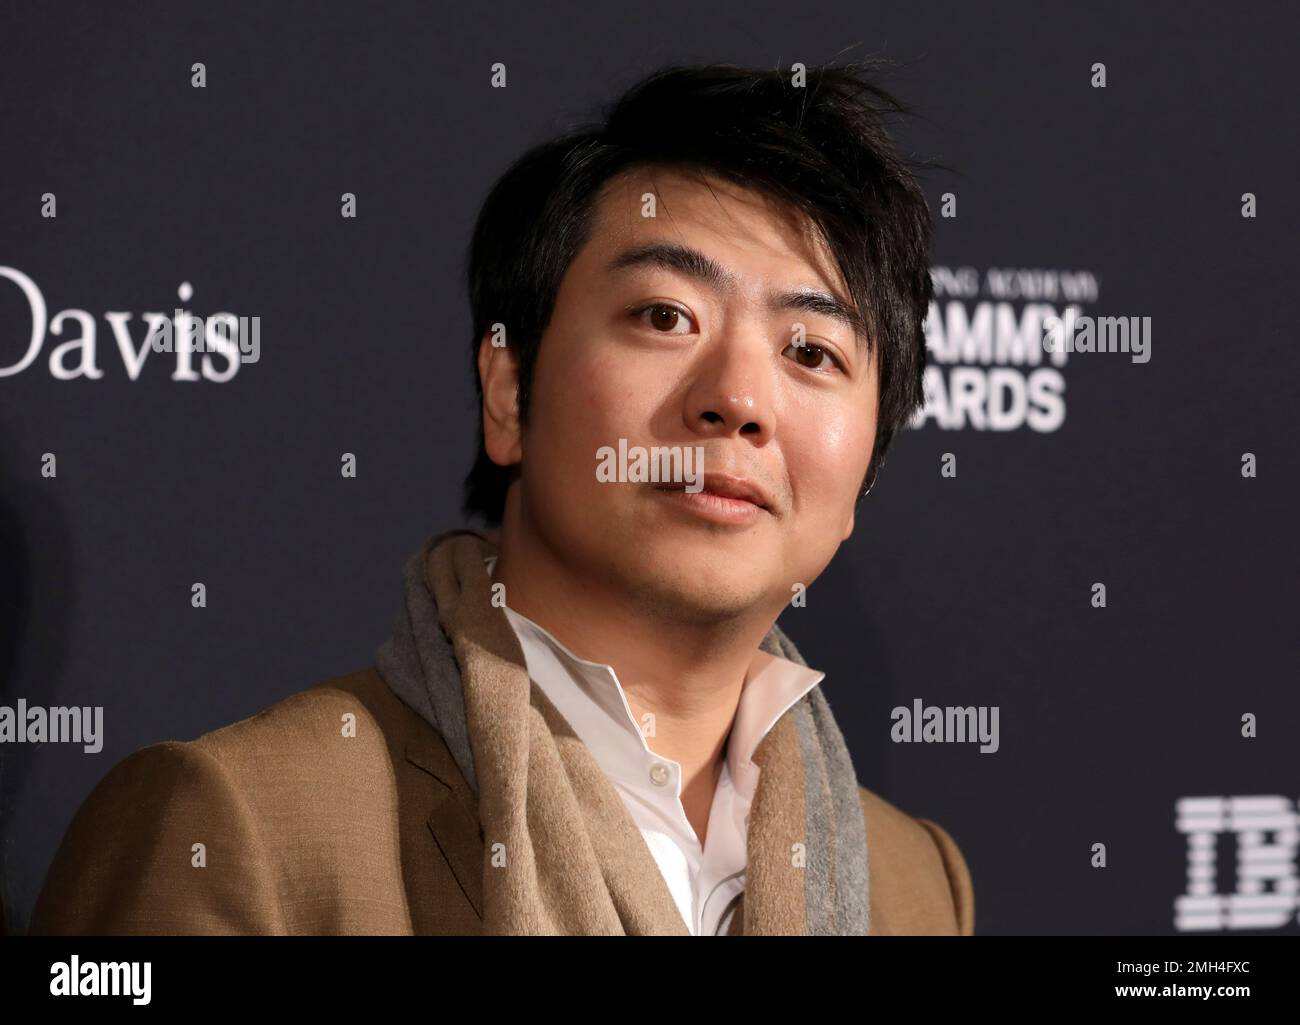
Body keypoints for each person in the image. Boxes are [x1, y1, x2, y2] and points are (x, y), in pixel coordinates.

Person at [29, 60, 973, 936]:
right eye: (664, 315)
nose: (739, 398)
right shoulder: (243, 827)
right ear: (509, 392)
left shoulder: (915, 883)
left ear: (862, 477)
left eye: (811, 352)